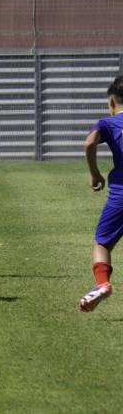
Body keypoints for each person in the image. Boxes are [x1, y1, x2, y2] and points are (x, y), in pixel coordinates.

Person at [78, 76, 123, 311]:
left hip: (121, 195)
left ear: (112, 102)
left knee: (102, 243)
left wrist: (95, 173)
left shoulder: (108, 123)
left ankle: (103, 284)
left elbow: (89, 143)